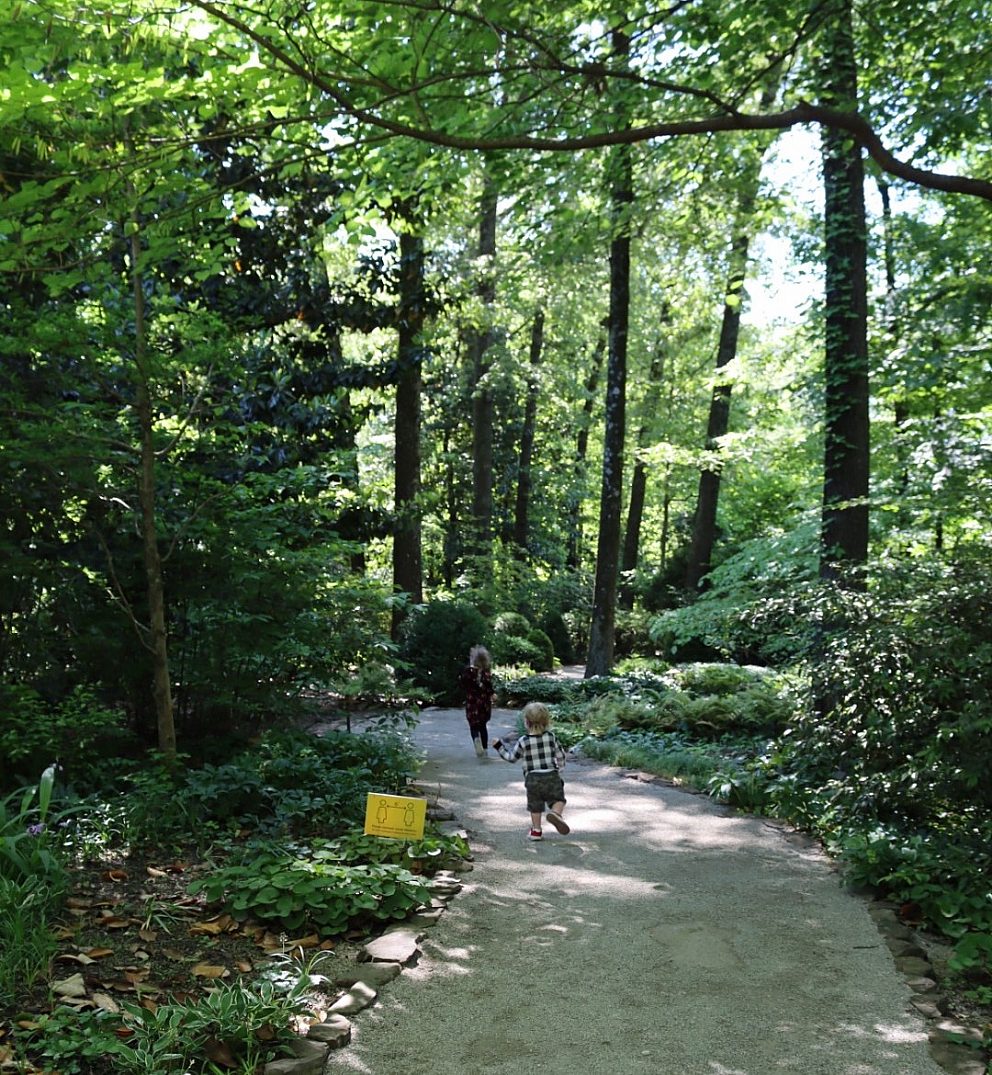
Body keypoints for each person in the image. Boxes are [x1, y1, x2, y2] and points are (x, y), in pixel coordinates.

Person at [492, 701, 570, 841]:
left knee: (535, 806)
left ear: (526, 722)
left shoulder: (523, 741)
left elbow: (511, 758)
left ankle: (536, 831)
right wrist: (560, 769)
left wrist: (499, 747)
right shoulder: (551, 737)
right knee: (559, 799)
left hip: (532, 778)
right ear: (546, 722)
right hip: (551, 775)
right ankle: (556, 814)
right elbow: (560, 755)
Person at [458, 645, 494, 757]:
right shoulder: (486, 674)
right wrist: (492, 695)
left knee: (473, 726)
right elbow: (489, 689)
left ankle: (476, 740)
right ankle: (485, 748)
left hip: (472, 703)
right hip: (484, 704)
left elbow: (462, 684)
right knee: (483, 726)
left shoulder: (468, 673)